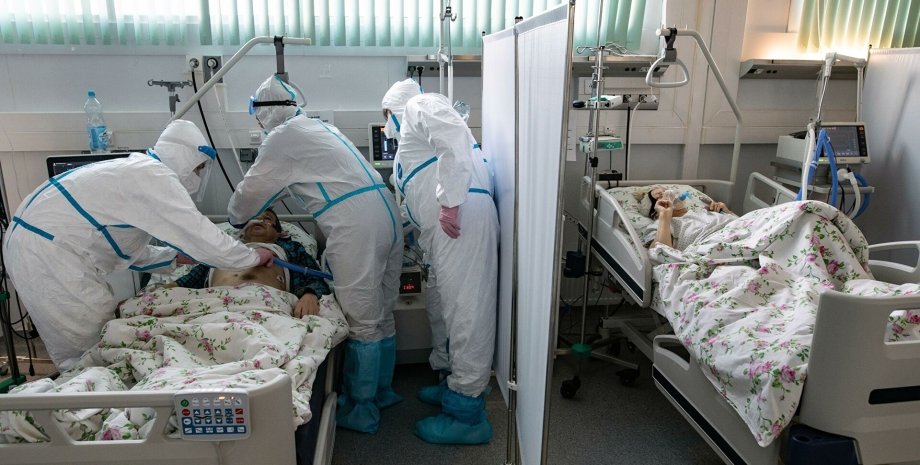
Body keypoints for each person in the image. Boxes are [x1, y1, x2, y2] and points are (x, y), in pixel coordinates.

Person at [2, 120, 275, 371]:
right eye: (198, 168)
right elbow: (203, 236)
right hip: (47, 253)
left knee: (94, 337)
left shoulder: (137, 171)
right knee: (89, 348)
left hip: (38, 245)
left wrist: (172, 257)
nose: (198, 175)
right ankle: (88, 397)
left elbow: (121, 245)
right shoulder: (154, 177)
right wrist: (252, 257)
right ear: (185, 158)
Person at [227, 74, 404, 434]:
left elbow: (245, 201)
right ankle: (382, 391)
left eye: (255, 114)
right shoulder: (319, 127)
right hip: (384, 211)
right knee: (382, 309)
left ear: (264, 112)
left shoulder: (281, 139)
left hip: (356, 224)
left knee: (361, 318)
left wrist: (237, 220)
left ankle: (361, 408)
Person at [381, 79, 498, 444]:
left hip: (460, 217)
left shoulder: (420, 104)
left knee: (466, 313)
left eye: (385, 116)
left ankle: (467, 413)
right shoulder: (410, 144)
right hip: (444, 227)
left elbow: (452, 137)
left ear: (392, 108)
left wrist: (448, 202)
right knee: (441, 307)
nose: (385, 125)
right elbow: (416, 189)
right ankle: (450, 379)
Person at [167, 209, 330, 317]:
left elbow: (315, 278)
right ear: (242, 232)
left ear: (280, 233)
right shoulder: (223, 248)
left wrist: (310, 295)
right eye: (255, 217)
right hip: (214, 304)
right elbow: (193, 278)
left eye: (267, 219)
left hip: (266, 306)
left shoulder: (291, 248)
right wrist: (168, 288)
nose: (260, 220)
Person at [640, 185, 735, 250]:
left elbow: (737, 222)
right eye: (661, 195)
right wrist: (664, 215)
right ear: (655, 212)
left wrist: (727, 212)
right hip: (722, 245)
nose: (671, 194)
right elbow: (659, 253)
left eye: (667, 191)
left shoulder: (703, 211)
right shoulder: (661, 225)